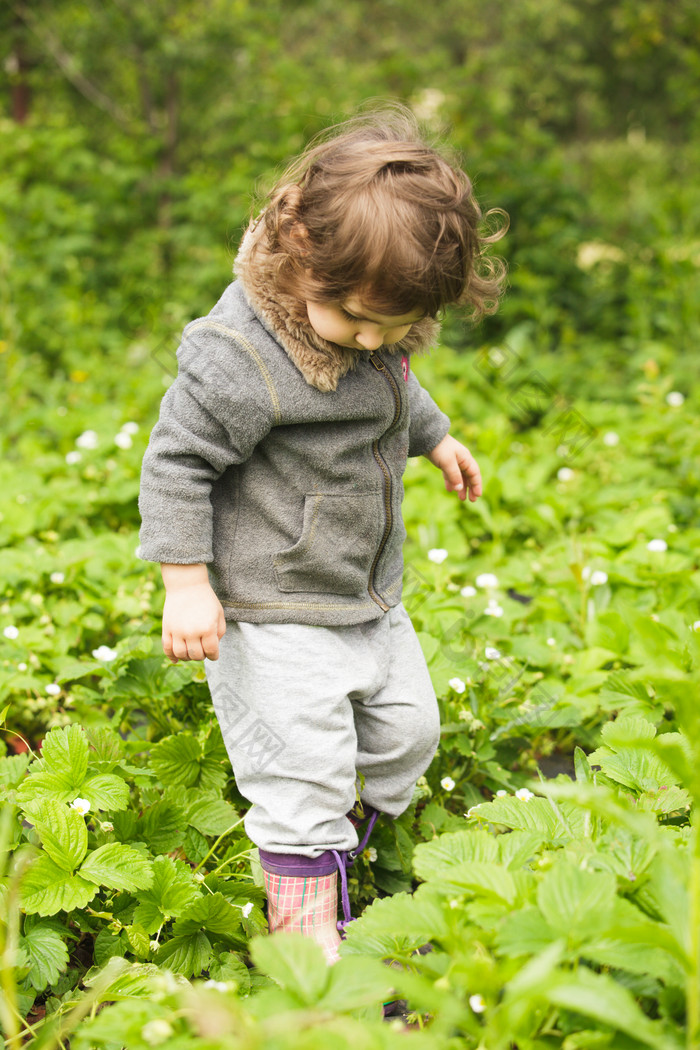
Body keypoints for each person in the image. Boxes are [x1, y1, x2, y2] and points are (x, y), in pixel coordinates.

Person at [138, 104, 506, 966]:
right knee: (300, 770)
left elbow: (392, 388)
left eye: (399, 324)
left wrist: (436, 435)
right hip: (271, 605)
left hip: (366, 592)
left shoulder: (377, 317)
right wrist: (186, 583)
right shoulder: (240, 353)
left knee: (408, 737)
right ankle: (309, 933)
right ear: (302, 249)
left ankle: (342, 837)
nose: (377, 339)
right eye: (358, 320)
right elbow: (176, 464)